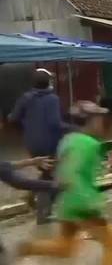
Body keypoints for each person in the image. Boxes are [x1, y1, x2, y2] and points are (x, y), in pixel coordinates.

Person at [11, 101, 112, 265]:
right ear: (89, 121)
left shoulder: (67, 141)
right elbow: (73, 172)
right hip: (82, 202)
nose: (101, 122)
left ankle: (28, 248)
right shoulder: (88, 144)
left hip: (65, 204)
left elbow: (65, 170)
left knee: (66, 246)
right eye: (98, 118)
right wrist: (90, 203)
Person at [9, 68, 71, 224]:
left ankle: (35, 198)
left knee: (50, 172)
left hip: (32, 144)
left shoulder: (25, 98)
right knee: (51, 175)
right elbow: (55, 123)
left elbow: (13, 118)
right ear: (48, 82)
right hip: (49, 144)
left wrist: (28, 126)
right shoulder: (53, 99)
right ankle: (43, 214)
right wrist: (73, 128)